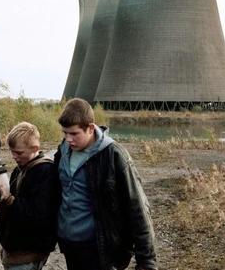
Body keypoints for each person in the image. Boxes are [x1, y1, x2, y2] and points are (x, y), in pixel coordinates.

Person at [54, 98, 157, 270]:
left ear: (91, 128)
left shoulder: (113, 155)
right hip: (70, 246)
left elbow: (138, 208)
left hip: (101, 250)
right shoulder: (64, 150)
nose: (68, 139)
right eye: (65, 133)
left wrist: (147, 262)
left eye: (74, 134)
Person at [0, 122, 58, 270]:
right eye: (12, 152)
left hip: (29, 252)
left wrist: (10, 201)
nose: (14, 157)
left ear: (35, 148)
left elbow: (38, 215)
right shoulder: (20, 169)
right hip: (15, 250)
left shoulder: (46, 172)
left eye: (19, 152)